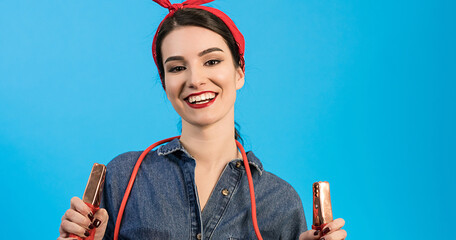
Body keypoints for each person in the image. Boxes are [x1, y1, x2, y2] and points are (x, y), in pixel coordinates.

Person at [58, 1, 347, 239]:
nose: (195, 79)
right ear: (165, 83)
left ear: (239, 72)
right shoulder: (123, 178)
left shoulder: (280, 202)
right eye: (178, 67)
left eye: (212, 61)